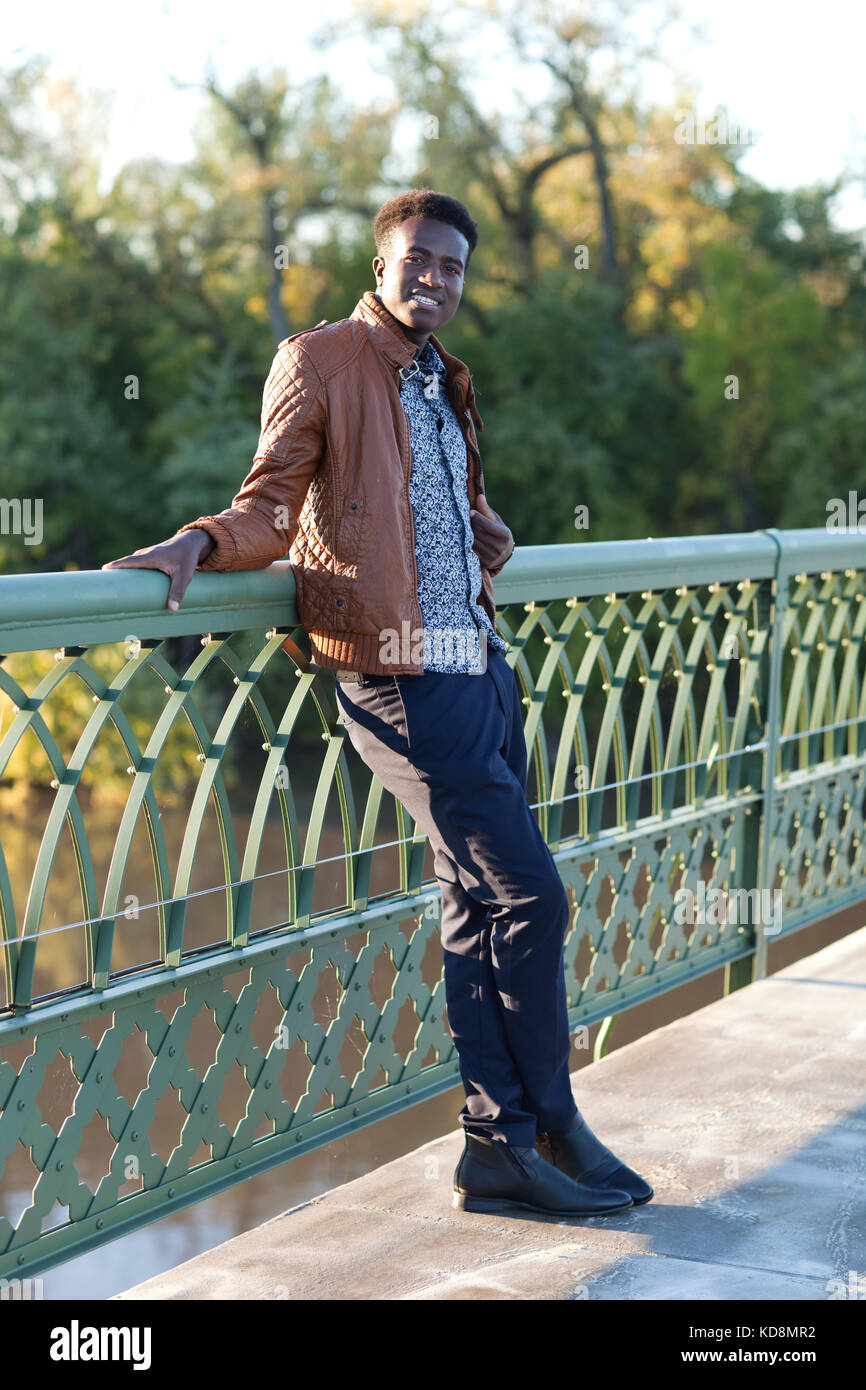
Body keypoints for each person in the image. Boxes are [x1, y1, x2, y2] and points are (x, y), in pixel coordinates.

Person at [103, 187, 652, 1219]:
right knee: (530, 891)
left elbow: (430, 498)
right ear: (380, 264)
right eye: (417, 260)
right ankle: (541, 1123)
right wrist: (199, 542)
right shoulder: (320, 359)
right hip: (396, 671)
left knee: (476, 898)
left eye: (451, 265)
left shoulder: (443, 374)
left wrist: (485, 535)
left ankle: (508, 1145)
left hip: (479, 661)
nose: (434, 278)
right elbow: (272, 500)